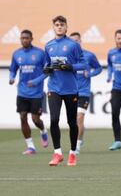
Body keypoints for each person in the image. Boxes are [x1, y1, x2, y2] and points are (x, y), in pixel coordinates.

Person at [44, 16, 86, 166]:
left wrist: (71, 67)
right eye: (57, 25)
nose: (59, 27)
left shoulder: (73, 45)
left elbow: (84, 64)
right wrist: (46, 69)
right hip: (54, 88)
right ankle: (57, 153)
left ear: (66, 27)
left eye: (62, 25)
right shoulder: (48, 45)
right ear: (53, 28)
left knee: (71, 122)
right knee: (54, 120)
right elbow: (46, 65)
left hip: (70, 89)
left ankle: (73, 153)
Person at [9, 29, 48, 155]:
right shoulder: (16, 54)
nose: (24, 40)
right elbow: (13, 69)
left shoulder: (40, 53)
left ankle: (43, 130)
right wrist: (11, 77)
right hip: (22, 92)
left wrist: (36, 81)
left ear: (31, 39)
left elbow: (47, 71)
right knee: (22, 116)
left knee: (36, 119)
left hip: (36, 92)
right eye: (22, 38)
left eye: (26, 38)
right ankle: (31, 146)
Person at [69, 32, 102, 154]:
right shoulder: (68, 57)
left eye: (77, 40)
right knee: (73, 121)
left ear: (80, 41)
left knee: (79, 118)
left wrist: (90, 74)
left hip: (83, 92)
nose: (75, 43)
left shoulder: (89, 56)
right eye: (72, 41)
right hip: (70, 92)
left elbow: (98, 68)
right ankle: (80, 136)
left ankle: (76, 146)